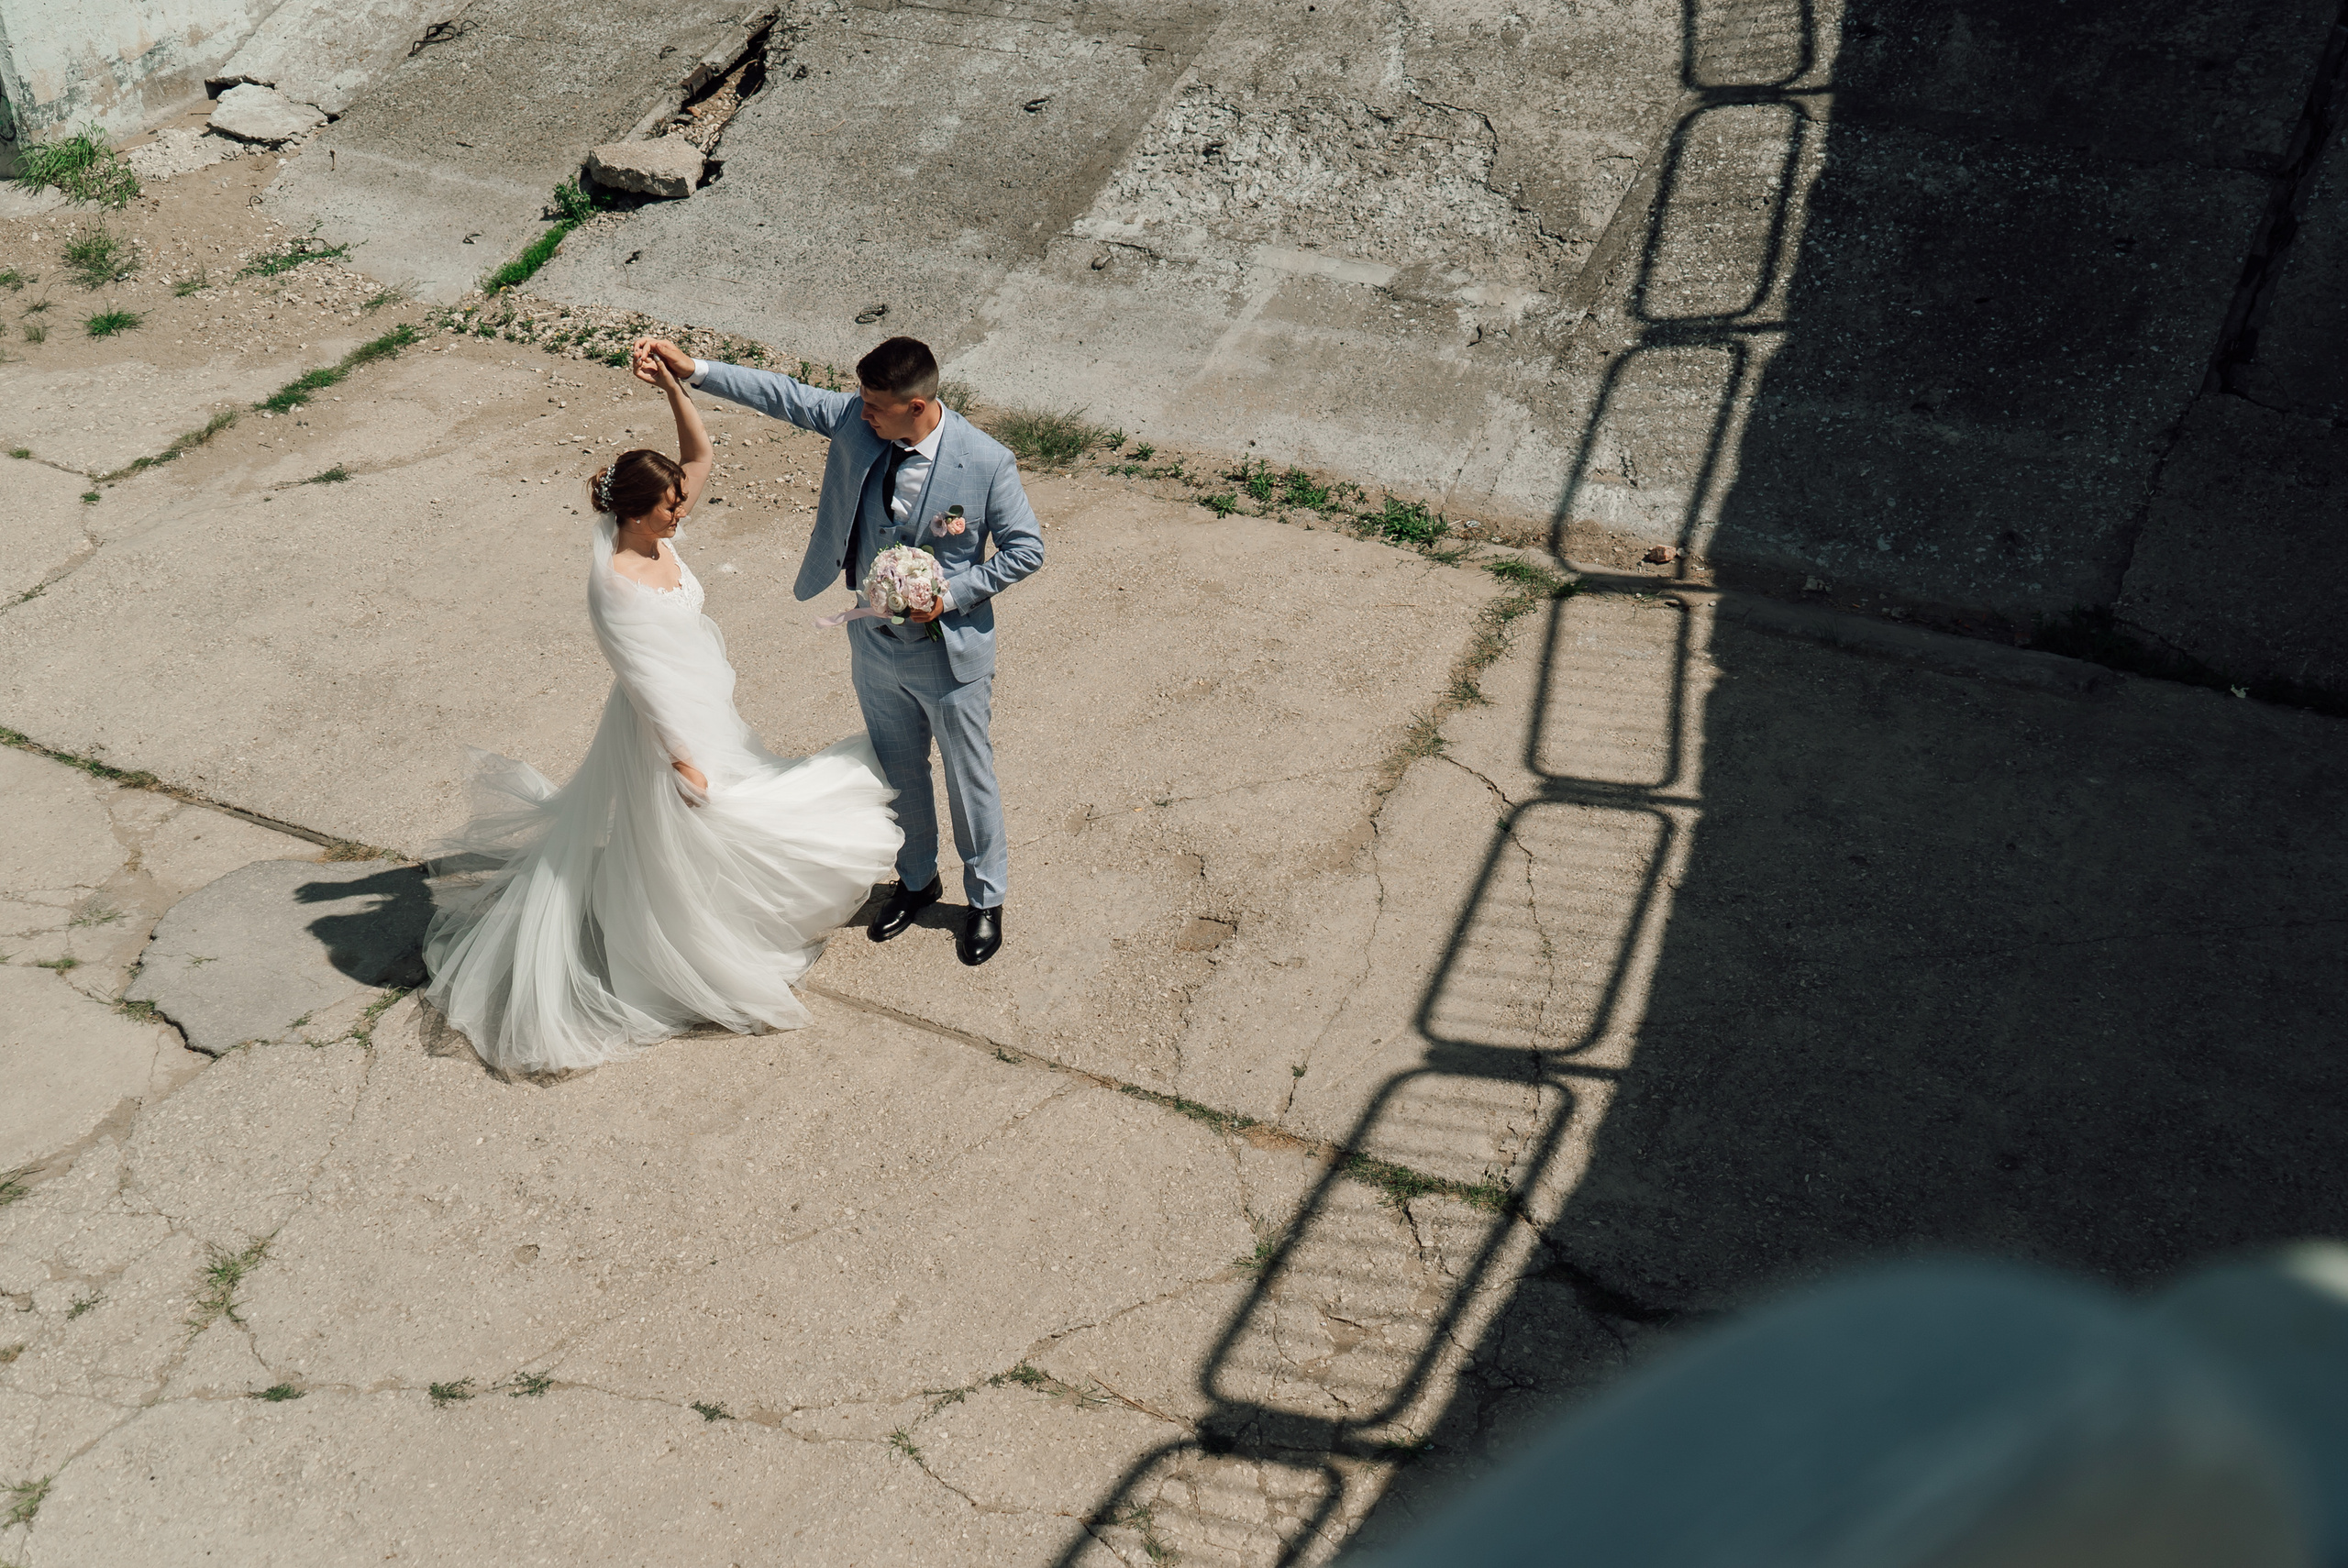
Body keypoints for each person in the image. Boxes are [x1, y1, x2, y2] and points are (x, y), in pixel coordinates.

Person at [420, 352, 903, 1075]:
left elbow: (700, 452)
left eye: (679, 501)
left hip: (706, 703)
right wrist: (684, 758)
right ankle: (695, 956)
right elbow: (644, 682)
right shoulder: (616, 583)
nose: (682, 512)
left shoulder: (658, 531)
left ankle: (729, 916)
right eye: (670, 505)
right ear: (632, 511)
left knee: (719, 834)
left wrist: (676, 388)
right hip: (667, 727)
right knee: (716, 821)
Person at [628, 333, 1042, 966]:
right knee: (899, 769)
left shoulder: (987, 461)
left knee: (968, 779)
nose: (861, 413)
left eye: (875, 405)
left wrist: (950, 594)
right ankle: (916, 880)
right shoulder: (860, 419)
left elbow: (1025, 551)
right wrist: (696, 370)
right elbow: (787, 396)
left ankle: (985, 899)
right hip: (872, 642)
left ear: (917, 405)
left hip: (949, 655)